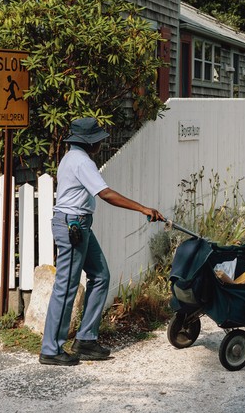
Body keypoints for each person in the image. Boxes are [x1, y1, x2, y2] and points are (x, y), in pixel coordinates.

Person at [39, 117, 166, 366]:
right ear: (88, 142)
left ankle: (85, 340)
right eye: (97, 140)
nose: (100, 144)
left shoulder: (72, 157)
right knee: (66, 287)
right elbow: (105, 194)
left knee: (100, 276)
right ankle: (51, 349)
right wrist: (142, 208)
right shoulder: (81, 161)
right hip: (72, 225)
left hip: (80, 224)